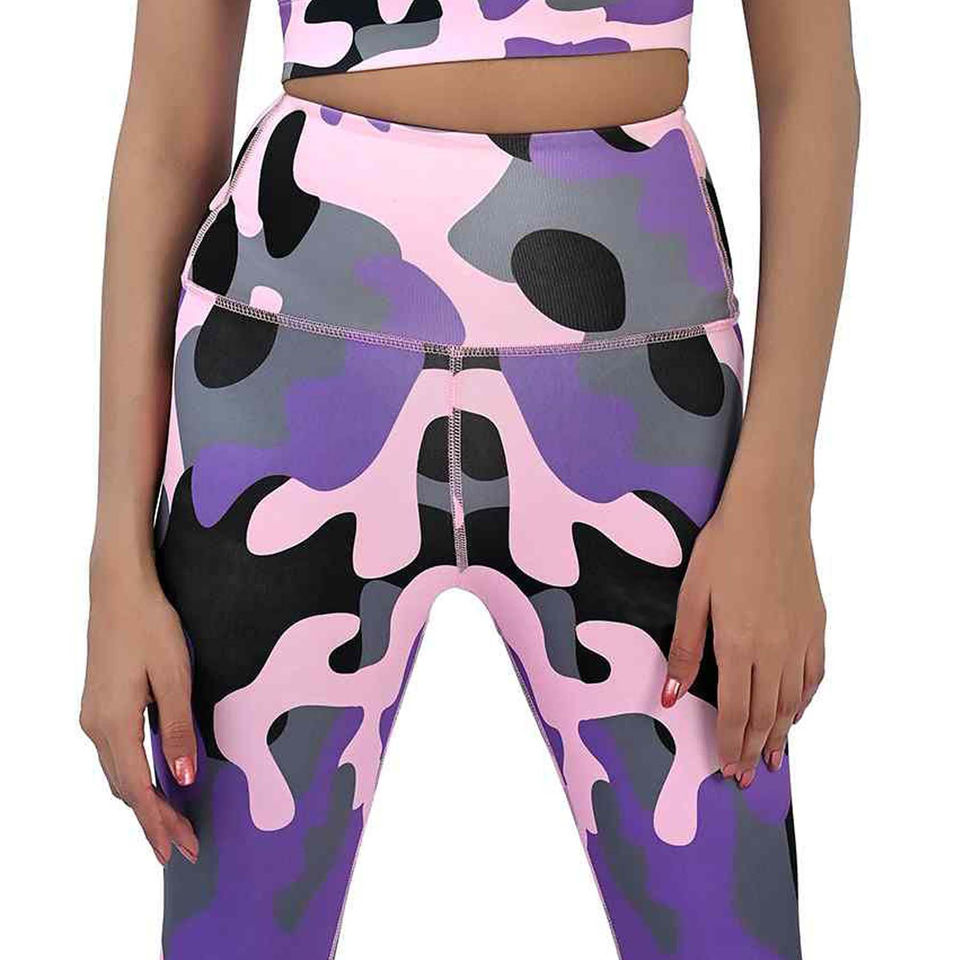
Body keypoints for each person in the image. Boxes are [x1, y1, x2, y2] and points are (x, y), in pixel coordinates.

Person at [81, 2, 859, 957]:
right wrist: (116, 561)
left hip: (646, 395)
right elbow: (167, 128)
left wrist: (779, 492)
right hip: (283, 372)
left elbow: (811, 86)